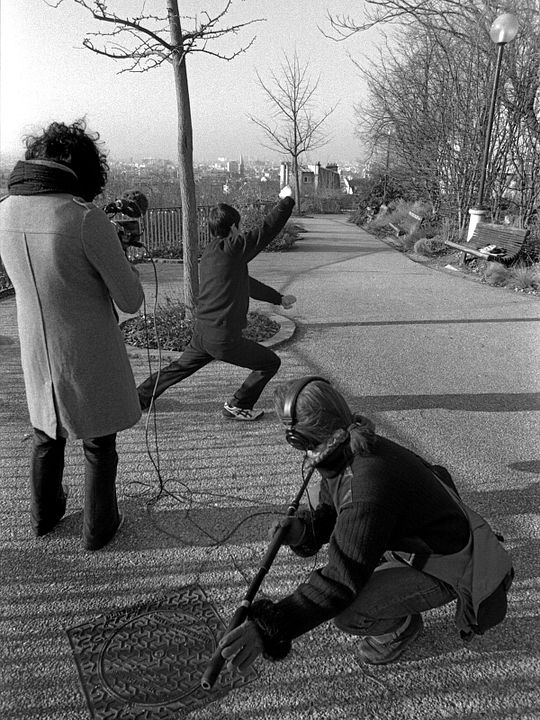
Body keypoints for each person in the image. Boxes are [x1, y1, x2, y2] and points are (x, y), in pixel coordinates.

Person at [218, 376, 514, 673]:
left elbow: (340, 581)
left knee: (349, 612)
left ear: (299, 440)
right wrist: (303, 531)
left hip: (450, 564)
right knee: (349, 545)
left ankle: (400, 629)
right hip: (428, 536)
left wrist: (269, 626)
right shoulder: (349, 442)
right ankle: (397, 594)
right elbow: (333, 510)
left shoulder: (365, 489)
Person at [0, 119, 144, 550]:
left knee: (47, 435)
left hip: (37, 349)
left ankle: (44, 517)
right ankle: (100, 528)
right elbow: (130, 299)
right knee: (99, 443)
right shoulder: (84, 219)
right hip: (87, 351)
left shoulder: (4, 209)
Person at [137, 186, 297, 420]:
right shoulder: (233, 249)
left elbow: (246, 283)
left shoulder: (212, 252)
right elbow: (266, 231)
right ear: (233, 227)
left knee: (179, 368)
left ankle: (140, 396)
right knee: (269, 362)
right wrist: (286, 201)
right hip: (223, 338)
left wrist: (278, 298)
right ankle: (238, 405)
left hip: (204, 333)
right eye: (239, 226)